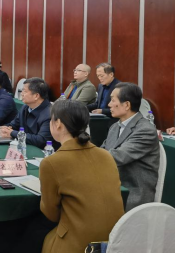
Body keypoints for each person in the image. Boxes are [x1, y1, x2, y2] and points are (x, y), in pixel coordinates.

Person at [40, 99, 124, 253]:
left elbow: (51, 214)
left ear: (58, 123)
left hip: (80, 245)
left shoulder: (51, 163)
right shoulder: (106, 155)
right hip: (115, 242)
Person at [101, 82, 160, 211]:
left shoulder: (145, 130)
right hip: (113, 187)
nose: (109, 104)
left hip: (133, 195)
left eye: (113, 100)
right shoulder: (115, 127)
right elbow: (103, 150)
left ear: (127, 105)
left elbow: (118, 156)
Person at [0, 77, 54, 149]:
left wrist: (13, 133)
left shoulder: (49, 114)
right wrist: (4, 129)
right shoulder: (25, 108)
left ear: (36, 96)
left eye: (25, 91)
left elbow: (41, 140)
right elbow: (13, 125)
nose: (22, 94)